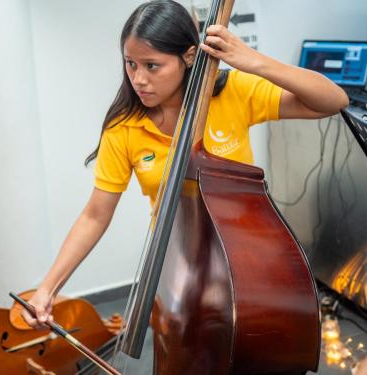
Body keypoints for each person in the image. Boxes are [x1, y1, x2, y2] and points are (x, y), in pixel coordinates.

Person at [22, 0, 348, 328]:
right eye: (131, 64)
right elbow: (95, 215)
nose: (138, 79)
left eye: (152, 66)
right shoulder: (124, 126)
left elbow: (333, 101)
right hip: (175, 259)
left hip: (244, 256)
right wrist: (47, 289)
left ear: (189, 57)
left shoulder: (232, 92)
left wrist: (254, 62)